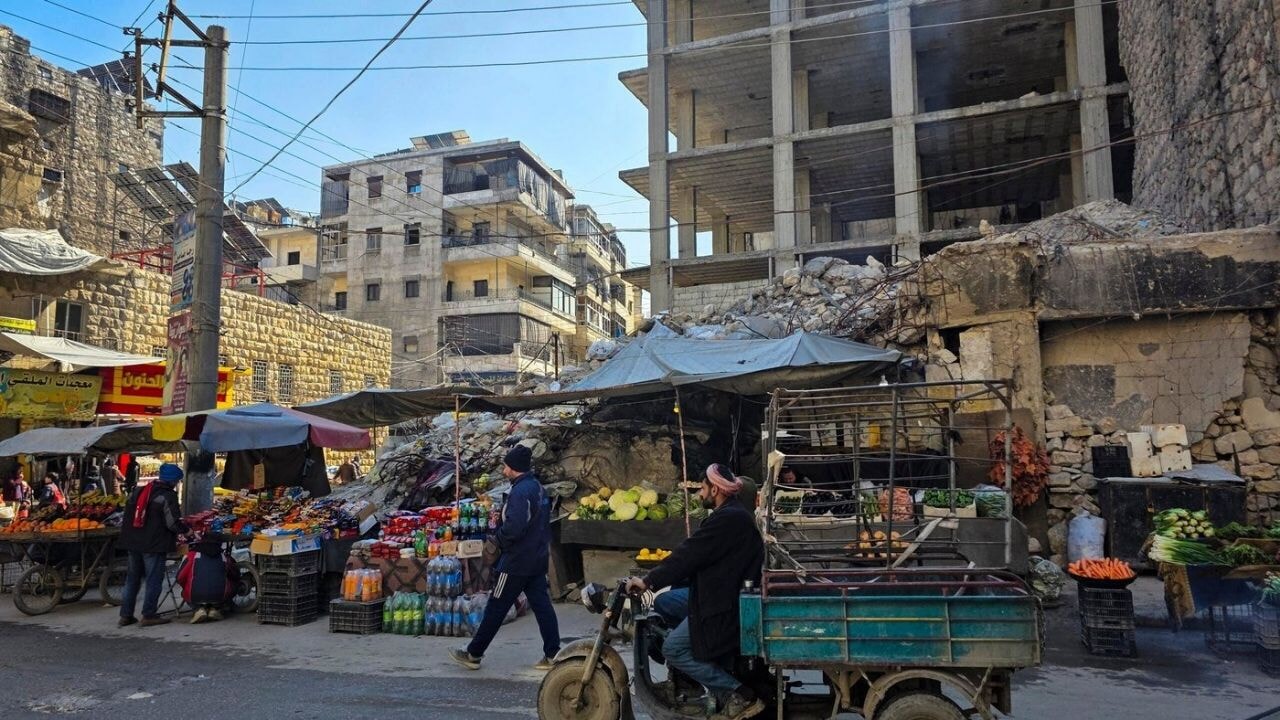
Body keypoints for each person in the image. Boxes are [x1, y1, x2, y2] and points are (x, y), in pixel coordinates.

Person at [626, 464, 765, 720]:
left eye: (703, 488)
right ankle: (686, 679)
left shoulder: (730, 519)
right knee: (666, 603)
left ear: (716, 489)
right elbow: (696, 556)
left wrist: (649, 580)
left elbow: (689, 554)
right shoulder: (729, 514)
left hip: (724, 604)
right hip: (717, 593)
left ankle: (738, 693)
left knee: (673, 649)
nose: (700, 495)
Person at [451, 444, 560, 672]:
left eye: (506, 466)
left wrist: (497, 540)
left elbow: (514, 527)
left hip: (515, 562)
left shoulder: (520, 493)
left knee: (496, 607)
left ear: (514, 468)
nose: (503, 470)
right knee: (542, 606)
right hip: (537, 558)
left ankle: (474, 653)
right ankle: (553, 654)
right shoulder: (538, 488)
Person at [117, 463, 185, 628]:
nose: (176, 484)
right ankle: (149, 615)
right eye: (176, 481)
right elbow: (172, 523)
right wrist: (187, 531)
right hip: (153, 544)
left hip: (133, 542)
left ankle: (125, 616)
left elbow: (127, 516)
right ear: (172, 480)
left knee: (132, 579)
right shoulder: (166, 496)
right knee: (153, 579)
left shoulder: (140, 490)